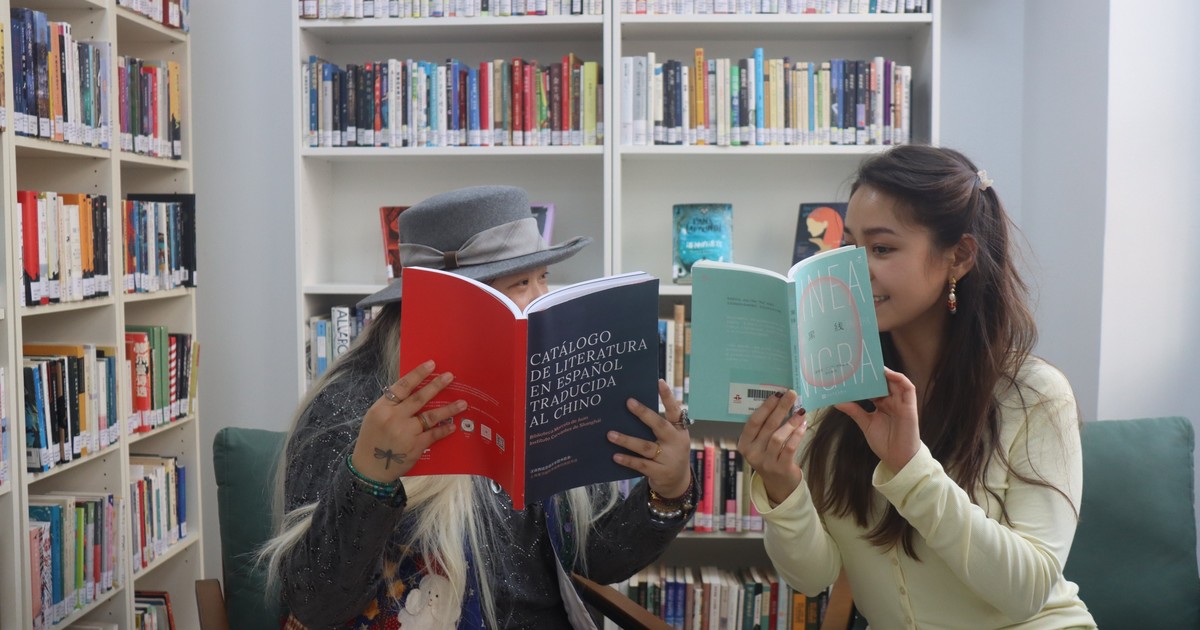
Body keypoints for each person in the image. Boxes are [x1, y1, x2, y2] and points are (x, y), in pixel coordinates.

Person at [261, 186, 697, 629]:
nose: (541, 298)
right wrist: (371, 476)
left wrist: (669, 488)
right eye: (521, 284)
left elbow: (597, 560)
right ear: (455, 306)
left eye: (543, 277)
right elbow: (315, 604)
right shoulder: (350, 405)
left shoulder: (544, 386)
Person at [739, 145, 1097, 629]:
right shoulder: (837, 393)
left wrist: (911, 468)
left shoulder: (1033, 395)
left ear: (959, 257)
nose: (855, 270)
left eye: (882, 249)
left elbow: (1027, 593)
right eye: (850, 247)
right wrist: (783, 486)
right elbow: (811, 576)